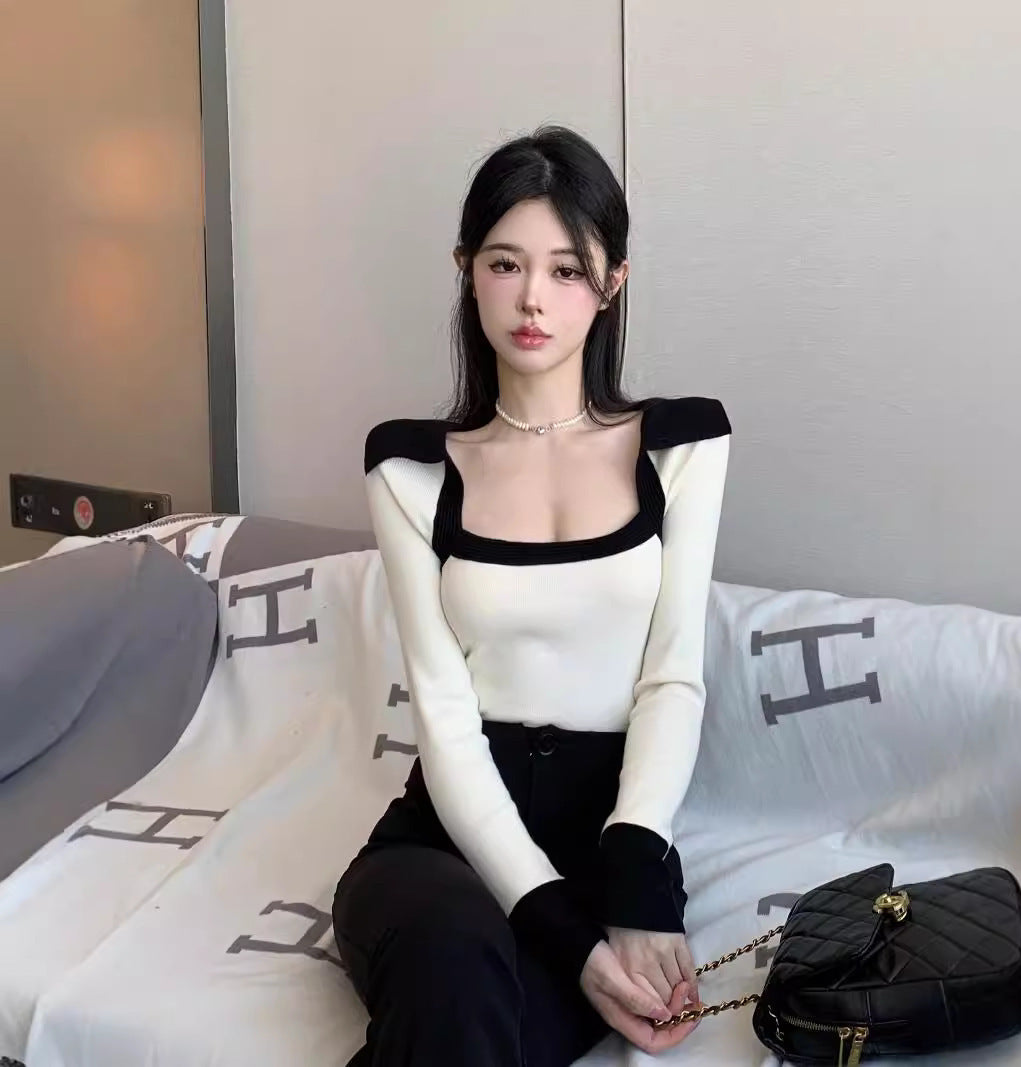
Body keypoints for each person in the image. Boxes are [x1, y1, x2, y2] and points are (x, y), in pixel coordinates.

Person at [332, 125, 731, 1066]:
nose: (532, 300)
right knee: (452, 962)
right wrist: (555, 925)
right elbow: (442, 712)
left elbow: (671, 677)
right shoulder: (410, 469)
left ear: (612, 282)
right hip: (442, 846)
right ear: (466, 271)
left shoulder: (683, 446)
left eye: (566, 270)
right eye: (505, 264)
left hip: (606, 847)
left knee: (472, 1031)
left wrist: (635, 871)